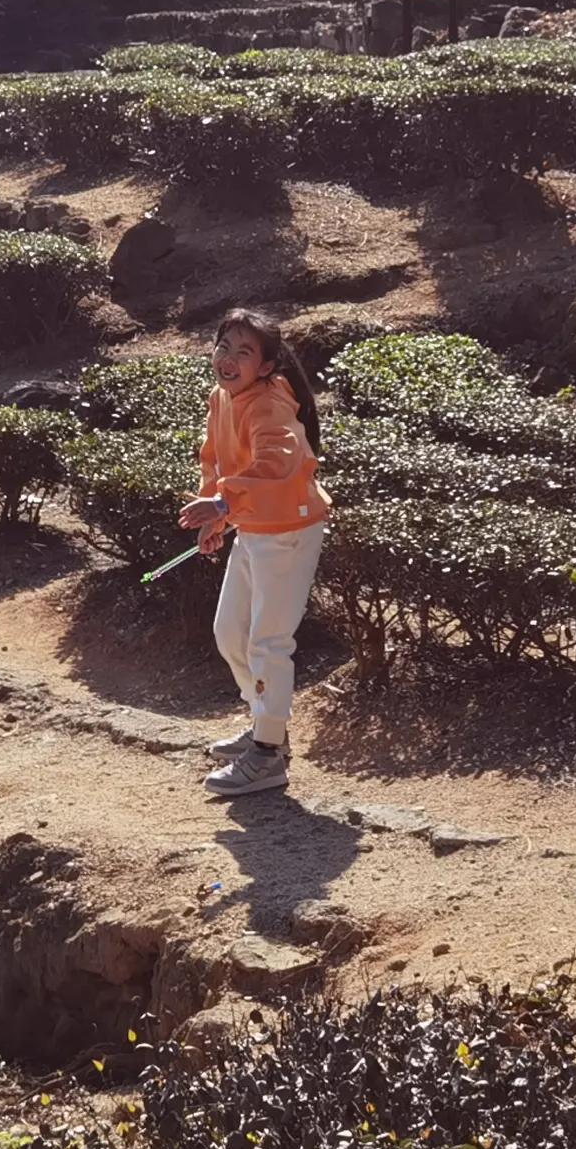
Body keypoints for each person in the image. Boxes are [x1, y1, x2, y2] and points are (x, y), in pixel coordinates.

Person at [181, 310, 332, 798]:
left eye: (244, 352)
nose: (228, 359)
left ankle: (267, 754)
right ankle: (268, 727)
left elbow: (277, 464)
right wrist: (217, 518)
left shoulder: (268, 405)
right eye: (224, 346)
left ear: (267, 366)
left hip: (288, 529)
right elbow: (216, 459)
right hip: (255, 526)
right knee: (230, 632)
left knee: (268, 642)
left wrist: (225, 503)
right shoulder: (222, 397)